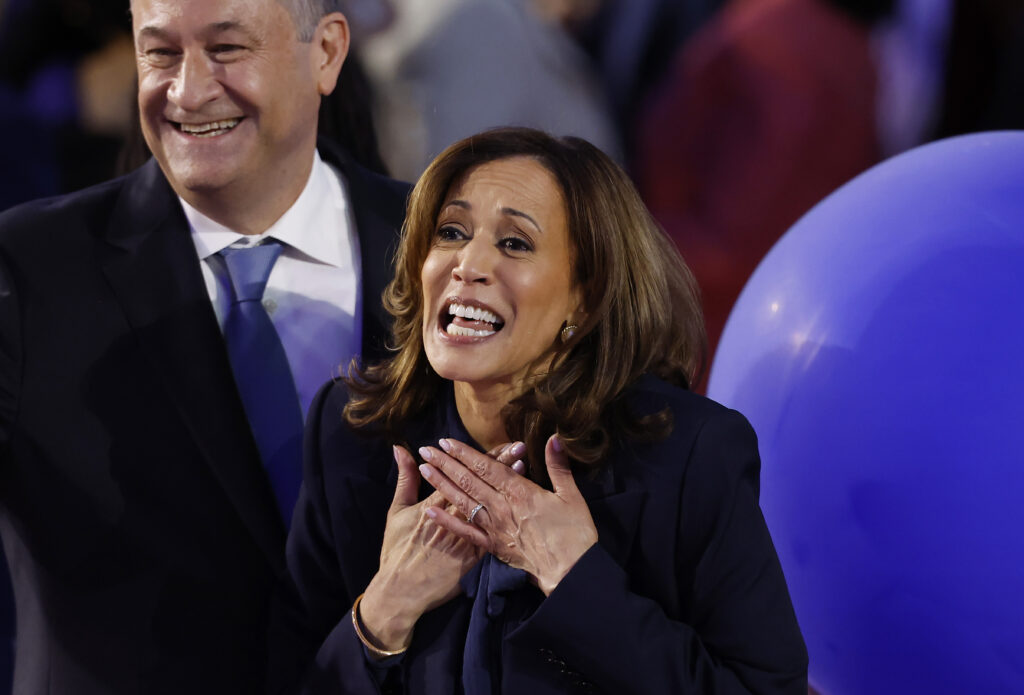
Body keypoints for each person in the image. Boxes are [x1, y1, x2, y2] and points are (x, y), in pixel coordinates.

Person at [282, 127, 808, 693]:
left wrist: (577, 579)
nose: (468, 264)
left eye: (515, 243)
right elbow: (286, 677)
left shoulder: (687, 456)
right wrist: (384, 611)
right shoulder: (354, 429)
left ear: (585, 297)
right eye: (451, 232)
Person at [0, 0, 408, 692]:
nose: (187, 92)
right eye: (160, 54)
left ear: (327, 54)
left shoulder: (442, 251)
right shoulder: (27, 270)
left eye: (226, 49)